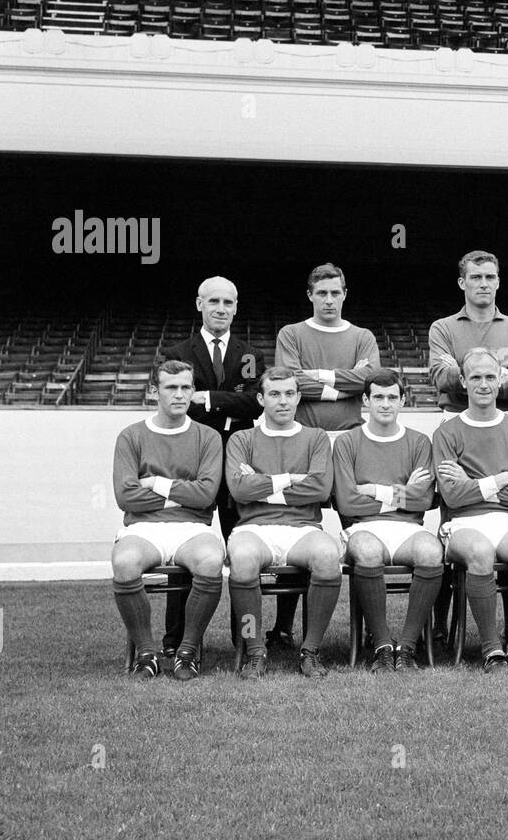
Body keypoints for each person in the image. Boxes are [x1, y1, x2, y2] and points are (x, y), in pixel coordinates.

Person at [269, 262, 379, 652]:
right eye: (322, 293)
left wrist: (320, 379)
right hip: (305, 444)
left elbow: (370, 380)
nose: (329, 300)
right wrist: (343, 380)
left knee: (362, 528)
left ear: (345, 294)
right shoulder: (292, 333)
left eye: (336, 293)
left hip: (351, 444)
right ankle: (282, 627)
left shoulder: (362, 335)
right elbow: (290, 381)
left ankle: (370, 628)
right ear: (310, 295)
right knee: (294, 527)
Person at [160, 274, 265, 655]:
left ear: (236, 307)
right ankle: (178, 641)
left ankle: (246, 638)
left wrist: (205, 398)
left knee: (241, 552)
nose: (221, 309)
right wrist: (226, 400)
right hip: (194, 457)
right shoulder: (177, 353)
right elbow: (180, 402)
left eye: (228, 303)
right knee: (186, 547)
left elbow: (255, 403)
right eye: (214, 301)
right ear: (199, 304)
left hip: (238, 457)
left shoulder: (250, 355)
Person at [111, 360, 224, 681]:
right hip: (143, 527)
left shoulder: (208, 437)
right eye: (171, 387)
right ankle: (146, 654)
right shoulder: (131, 436)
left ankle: (186, 652)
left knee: (211, 559)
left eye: (186, 387)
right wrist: (185, 492)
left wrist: (154, 483)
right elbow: (126, 496)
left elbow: (206, 496)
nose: (179, 394)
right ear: (153, 392)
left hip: (192, 527)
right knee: (125, 562)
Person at [432, 348, 508, 673]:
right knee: (479, 552)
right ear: (463, 382)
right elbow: (452, 497)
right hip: (462, 524)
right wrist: (497, 481)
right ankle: (491, 648)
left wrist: (474, 485)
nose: (483, 384)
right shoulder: (447, 432)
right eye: (476, 377)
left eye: (490, 377)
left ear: (501, 380)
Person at [224, 367, 340, 678]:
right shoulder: (242, 438)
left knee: (328, 558)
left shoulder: (315, 438)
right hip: (253, 528)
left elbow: (320, 488)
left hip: (303, 529)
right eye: (275, 394)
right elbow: (239, 490)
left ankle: (311, 649)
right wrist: (290, 480)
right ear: (261, 398)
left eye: (290, 393)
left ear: (299, 397)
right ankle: (254, 648)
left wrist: (261, 486)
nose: (283, 401)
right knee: (244, 561)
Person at [333, 368, 443, 673]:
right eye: (378, 397)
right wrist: (402, 492)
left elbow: (424, 500)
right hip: (362, 526)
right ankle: (381, 646)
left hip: (409, 528)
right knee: (367, 553)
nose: (385, 404)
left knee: (432, 553)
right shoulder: (347, 442)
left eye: (392, 397)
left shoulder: (420, 442)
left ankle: (407, 646)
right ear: (366, 400)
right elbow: (346, 501)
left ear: (403, 400)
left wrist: (371, 490)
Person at [428, 250, 508, 414]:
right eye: (476, 277)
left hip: (506, 417)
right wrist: (500, 374)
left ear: (498, 282)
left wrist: (460, 372)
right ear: (462, 283)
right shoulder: (442, 328)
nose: (484, 284)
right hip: (456, 417)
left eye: (490, 277)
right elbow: (441, 379)